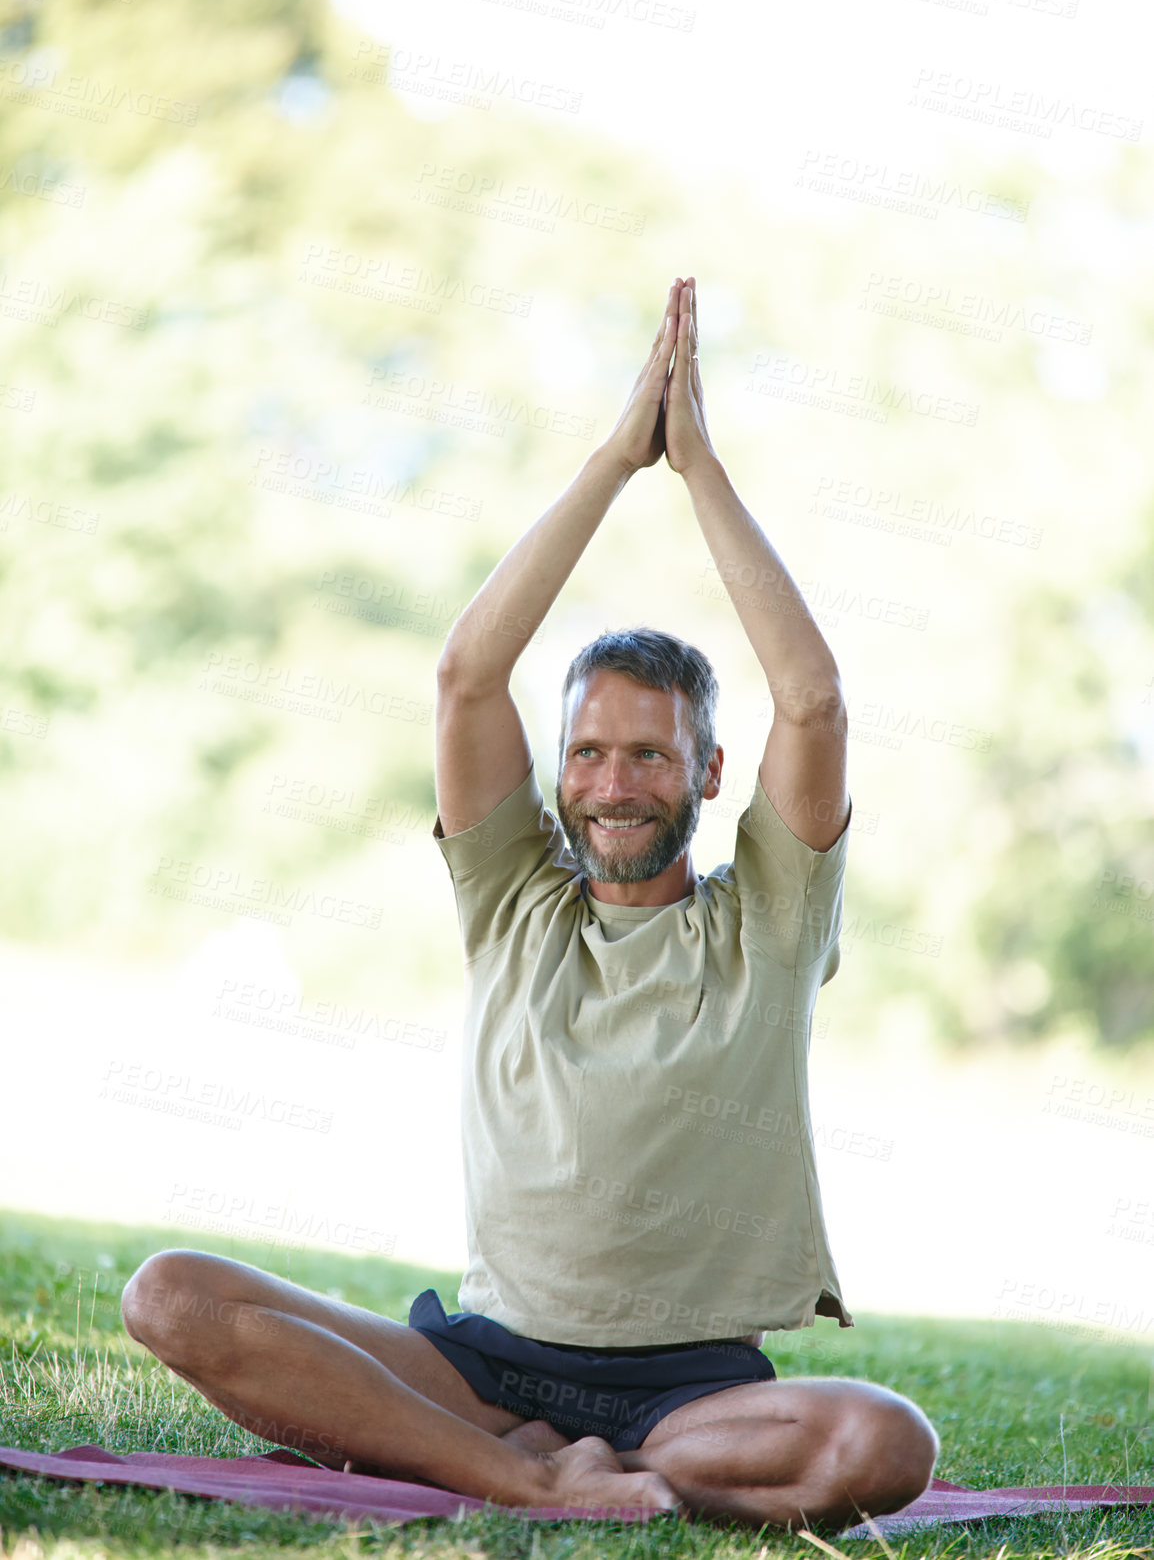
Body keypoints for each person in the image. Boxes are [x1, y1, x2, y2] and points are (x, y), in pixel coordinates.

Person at [121, 277, 938, 1529]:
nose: (613, 783)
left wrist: (695, 464)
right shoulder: (511, 898)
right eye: (588, 752)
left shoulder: (770, 920)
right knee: (169, 1296)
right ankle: (524, 1472)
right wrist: (616, 458)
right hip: (480, 1369)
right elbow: (465, 675)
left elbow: (813, 698)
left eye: (651, 754)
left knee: (884, 1442)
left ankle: (569, 1469)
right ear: (557, 769)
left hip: (690, 1396)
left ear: (707, 774)